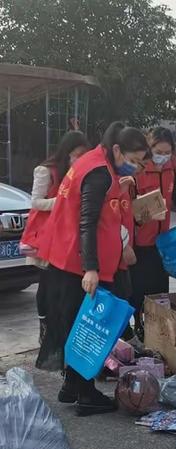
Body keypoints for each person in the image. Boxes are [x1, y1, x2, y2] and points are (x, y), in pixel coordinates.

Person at [35, 122, 149, 416]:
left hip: (66, 258)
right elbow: (86, 221)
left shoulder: (96, 163)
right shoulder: (99, 172)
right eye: (133, 161)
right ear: (116, 150)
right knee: (89, 328)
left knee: (77, 325)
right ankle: (85, 393)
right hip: (77, 264)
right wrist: (91, 269)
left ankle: (72, 386)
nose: (135, 168)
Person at [20, 131, 89, 345]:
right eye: (77, 154)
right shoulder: (45, 170)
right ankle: (46, 327)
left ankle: (57, 330)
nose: (79, 158)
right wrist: (62, 201)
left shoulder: (78, 172)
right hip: (47, 236)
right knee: (47, 283)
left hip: (66, 236)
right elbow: (36, 202)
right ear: (66, 152)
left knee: (58, 285)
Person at [129, 127, 176, 337]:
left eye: (167, 152)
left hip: (163, 240)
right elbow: (129, 206)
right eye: (159, 152)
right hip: (140, 240)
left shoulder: (172, 165)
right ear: (149, 148)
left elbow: (175, 191)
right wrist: (149, 211)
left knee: (160, 285)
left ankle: (158, 324)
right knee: (139, 286)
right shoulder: (138, 169)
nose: (163, 157)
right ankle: (138, 323)